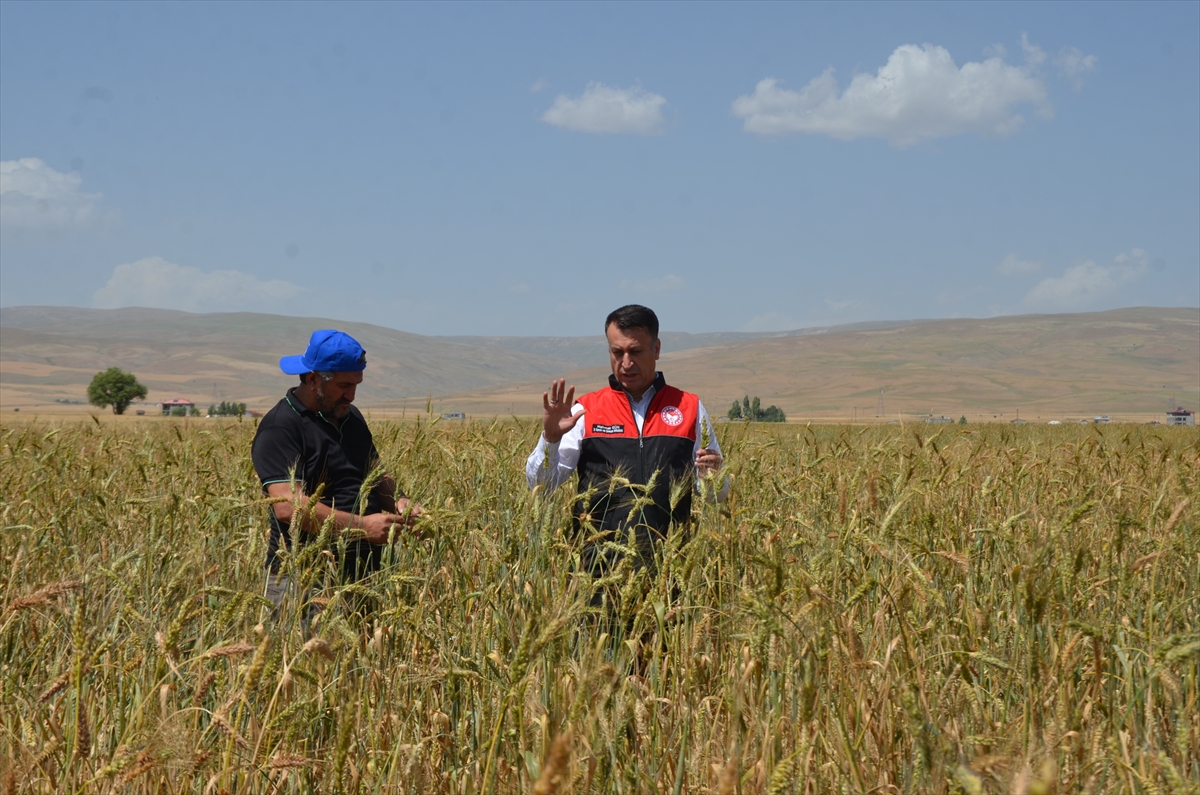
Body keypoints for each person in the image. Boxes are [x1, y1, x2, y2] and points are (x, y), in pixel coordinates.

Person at [525, 305, 728, 581]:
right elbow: (542, 485)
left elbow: (716, 495)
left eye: (636, 351)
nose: (626, 363)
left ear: (656, 349)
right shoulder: (585, 410)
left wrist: (714, 477)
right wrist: (550, 439)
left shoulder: (690, 408)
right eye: (617, 352)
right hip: (596, 576)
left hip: (670, 577)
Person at [251, 329, 422, 615]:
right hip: (304, 579)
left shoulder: (350, 416)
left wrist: (401, 502)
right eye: (343, 385)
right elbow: (287, 506)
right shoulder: (281, 427)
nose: (352, 395)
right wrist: (364, 527)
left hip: (361, 573)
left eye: (356, 384)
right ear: (313, 378)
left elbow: (376, 473)